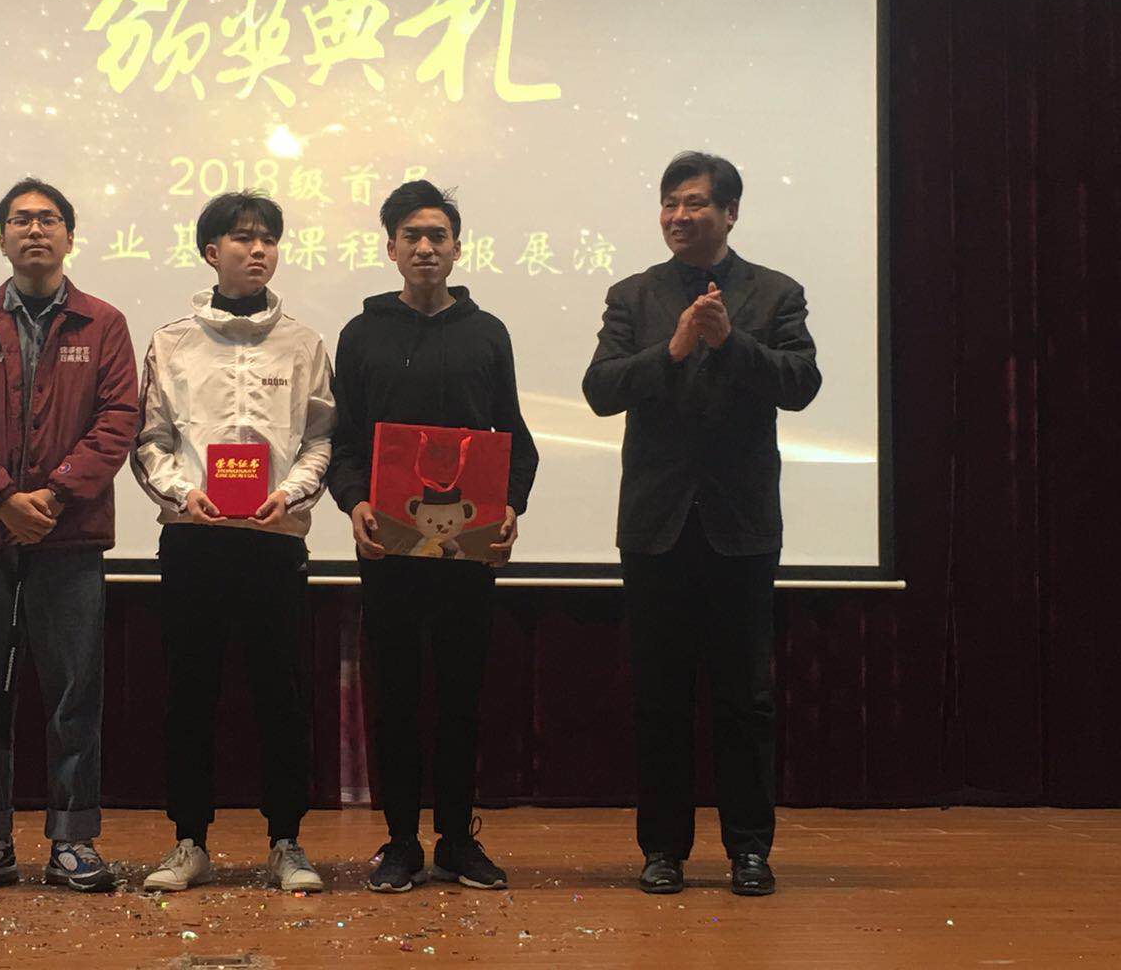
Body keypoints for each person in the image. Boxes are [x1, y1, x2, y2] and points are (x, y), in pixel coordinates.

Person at [582, 151, 821, 897]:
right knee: (659, 695)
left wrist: (730, 343)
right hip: (656, 525)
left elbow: (802, 384)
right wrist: (675, 348)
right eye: (670, 203)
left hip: (739, 526)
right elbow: (600, 390)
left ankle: (749, 849)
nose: (678, 216)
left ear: (730, 213)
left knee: (745, 698)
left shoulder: (775, 292)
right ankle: (663, 849)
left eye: (693, 203)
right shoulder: (633, 295)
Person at [328, 180, 539, 893]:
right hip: (388, 548)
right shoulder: (361, 335)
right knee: (395, 695)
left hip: (466, 551)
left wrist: (510, 507)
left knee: (460, 697)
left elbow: (515, 440)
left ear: (456, 248)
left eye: (437, 236)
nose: (425, 247)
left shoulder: (488, 333)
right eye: (411, 236)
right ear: (390, 249)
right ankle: (399, 842)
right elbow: (346, 442)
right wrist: (354, 502)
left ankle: (455, 839)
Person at [0, 178, 139, 893]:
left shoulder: (104, 323)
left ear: (69, 236)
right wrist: (3, 499)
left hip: (70, 534)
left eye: (49, 219)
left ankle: (73, 841)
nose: (34, 230)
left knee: (74, 692)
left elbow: (118, 419)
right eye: (20, 220)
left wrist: (52, 494)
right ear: (2, 238)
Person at [131, 190, 335, 893]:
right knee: (190, 694)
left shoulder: (303, 343)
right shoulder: (171, 341)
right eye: (244, 238)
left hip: (274, 541)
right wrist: (182, 492)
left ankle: (287, 842)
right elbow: (150, 439)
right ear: (211, 251)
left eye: (268, 239)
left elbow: (321, 439)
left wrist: (292, 493)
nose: (259, 250)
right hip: (195, 540)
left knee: (282, 695)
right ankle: (189, 840)